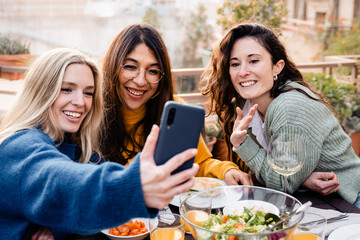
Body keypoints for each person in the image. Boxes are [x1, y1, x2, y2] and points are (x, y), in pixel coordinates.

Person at [0, 48, 199, 239]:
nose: (80, 102)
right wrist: (135, 186)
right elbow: (61, 182)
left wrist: (55, 228)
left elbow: (75, 203)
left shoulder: (73, 143)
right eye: (67, 89)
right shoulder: (20, 147)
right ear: (40, 92)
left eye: (88, 93)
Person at [202, 23, 360, 207]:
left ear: (277, 67)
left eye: (254, 61)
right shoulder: (247, 107)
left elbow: (281, 185)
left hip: (350, 201)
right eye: (235, 64)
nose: (243, 72)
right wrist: (301, 181)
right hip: (315, 200)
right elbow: (278, 178)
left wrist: (243, 144)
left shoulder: (287, 106)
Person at [100, 23, 253, 186]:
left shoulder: (174, 110)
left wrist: (227, 170)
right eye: (130, 67)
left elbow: (199, 164)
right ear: (113, 65)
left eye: (152, 71)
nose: (140, 81)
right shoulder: (92, 110)